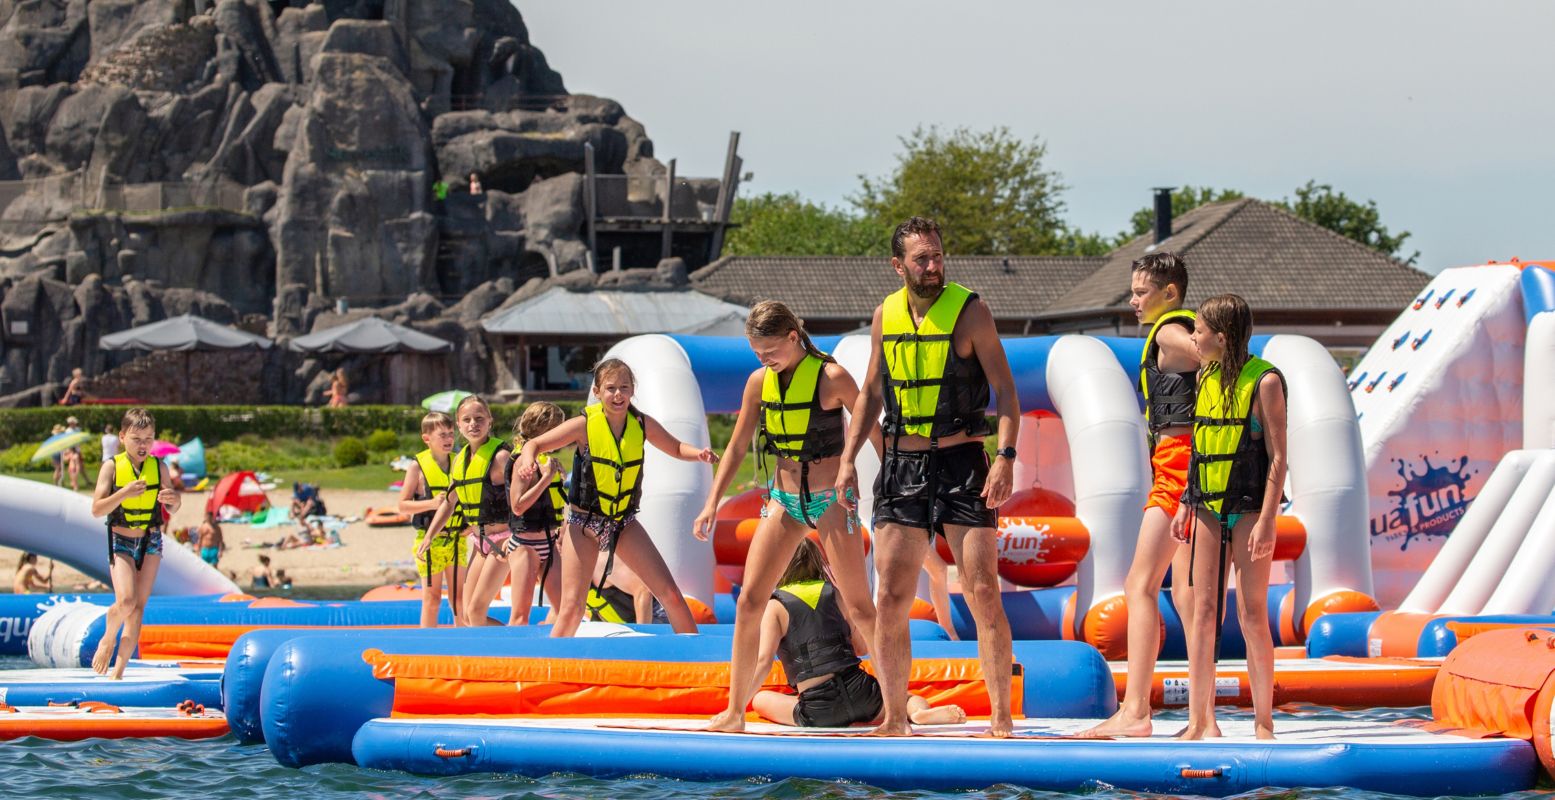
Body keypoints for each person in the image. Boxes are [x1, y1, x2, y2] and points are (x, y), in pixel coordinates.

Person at [836, 216, 1019, 737]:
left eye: (938, 256)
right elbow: (871, 393)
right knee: (890, 596)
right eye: (922, 259)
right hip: (902, 467)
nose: (934, 266)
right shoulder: (884, 316)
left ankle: (1002, 719)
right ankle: (895, 719)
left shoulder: (971, 311)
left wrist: (1004, 455)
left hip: (964, 464)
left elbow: (1006, 391)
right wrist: (850, 457)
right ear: (899, 266)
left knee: (983, 590)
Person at [695, 301, 879, 732]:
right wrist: (711, 502)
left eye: (771, 351)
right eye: (758, 353)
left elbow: (871, 425)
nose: (765, 360)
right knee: (748, 601)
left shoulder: (831, 377)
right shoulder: (759, 382)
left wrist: (888, 487)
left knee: (860, 606)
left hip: (829, 501)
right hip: (783, 499)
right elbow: (738, 446)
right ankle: (735, 712)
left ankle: (894, 706)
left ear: (794, 338)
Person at [1078, 252, 1201, 739]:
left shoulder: (1171, 329)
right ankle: (1201, 715)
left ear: (1169, 292)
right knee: (1191, 598)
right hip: (1201, 467)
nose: (1132, 300)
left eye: (1140, 291)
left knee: (1140, 586)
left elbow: (1209, 355)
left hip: (1178, 469)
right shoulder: (1180, 325)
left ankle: (1135, 712)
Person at [514, 358, 717, 637]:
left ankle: (697, 663)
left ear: (633, 390)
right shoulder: (584, 425)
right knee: (572, 607)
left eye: (624, 387)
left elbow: (676, 447)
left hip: (623, 523)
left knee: (670, 594)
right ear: (597, 392)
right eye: (610, 388)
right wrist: (527, 460)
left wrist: (699, 454)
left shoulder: (641, 424)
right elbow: (535, 444)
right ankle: (555, 669)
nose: (618, 394)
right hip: (583, 525)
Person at [1172, 293, 1287, 741]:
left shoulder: (1266, 382)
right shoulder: (1205, 375)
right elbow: (1200, 448)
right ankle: (1203, 722)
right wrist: (1185, 500)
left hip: (1250, 509)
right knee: (1203, 610)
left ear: (1221, 336)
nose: (1193, 337)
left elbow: (1278, 459)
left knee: (1251, 612)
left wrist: (1268, 521)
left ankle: (1263, 723)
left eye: (1198, 330)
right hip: (1205, 505)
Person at [742, 539, 967, 729]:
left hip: (819, 710)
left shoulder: (776, 605)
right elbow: (861, 649)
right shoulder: (836, 594)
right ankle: (918, 714)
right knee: (908, 699)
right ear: (818, 563)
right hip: (863, 695)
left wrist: (737, 706)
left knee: (761, 699)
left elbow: (763, 662)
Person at [89, 408, 180, 679]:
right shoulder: (111, 467)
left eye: (148, 439)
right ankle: (107, 639)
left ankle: (118, 673)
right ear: (122, 437)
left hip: (151, 539)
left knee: (138, 608)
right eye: (137, 439)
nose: (143, 445)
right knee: (126, 601)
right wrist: (125, 492)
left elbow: (174, 509)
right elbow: (96, 509)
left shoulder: (159, 467)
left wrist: (173, 501)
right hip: (122, 540)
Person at [420, 395, 512, 627]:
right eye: (467, 419)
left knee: (476, 611)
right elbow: (449, 503)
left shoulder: (501, 457)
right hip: (480, 542)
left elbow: (524, 496)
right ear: (459, 425)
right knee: (468, 616)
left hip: (504, 540)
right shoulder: (460, 461)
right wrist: (429, 535)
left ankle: (508, 653)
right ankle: (500, 647)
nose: (473, 424)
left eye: (479, 418)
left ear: (490, 421)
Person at [398, 411, 469, 628]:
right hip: (430, 543)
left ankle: (462, 642)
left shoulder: (459, 463)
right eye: (442, 435)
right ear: (426, 438)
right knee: (433, 598)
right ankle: (427, 643)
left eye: (451, 434)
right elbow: (402, 505)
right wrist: (431, 504)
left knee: (459, 598)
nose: (448, 439)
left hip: (457, 540)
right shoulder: (417, 467)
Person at [504, 402, 569, 627]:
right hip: (525, 545)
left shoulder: (543, 459)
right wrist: (545, 479)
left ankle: (550, 654)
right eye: (557, 429)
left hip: (549, 543)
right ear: (544, 430)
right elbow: (517, 506)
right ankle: (512, 661)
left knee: (566, 611)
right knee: (520, 616)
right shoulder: (524, 461)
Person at [62, 416, 84, 491]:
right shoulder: (68, 431)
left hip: (76, 450)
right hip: (71, 450)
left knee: (76, 467)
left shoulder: (77, 429)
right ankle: (74, 484)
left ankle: (74, 483)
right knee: (73, 468)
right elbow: (68, 442)